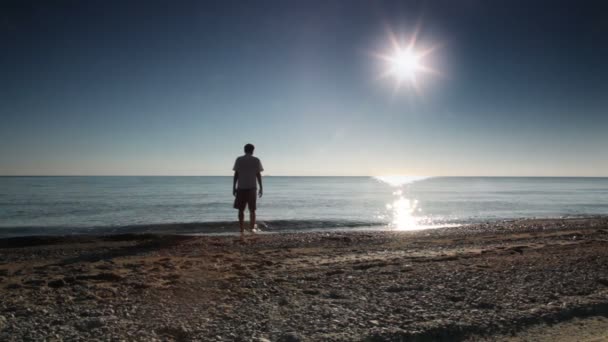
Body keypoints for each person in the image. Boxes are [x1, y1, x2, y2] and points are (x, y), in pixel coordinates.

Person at [233, 143, 263, 236]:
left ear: (244, 150)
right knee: (252, 210)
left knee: (240, 210)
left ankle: (241, 229)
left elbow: (236, 174)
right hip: (252, 188)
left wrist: (233, 187)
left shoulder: (239, 159)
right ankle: (252, 228)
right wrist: (261, 187)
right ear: (253, 150)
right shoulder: (256, 160)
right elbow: (258, 175)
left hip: (241, 187)